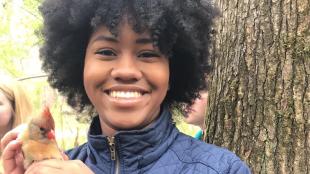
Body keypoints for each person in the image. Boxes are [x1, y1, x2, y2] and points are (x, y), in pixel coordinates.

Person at [1, 0, 251, 173]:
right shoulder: (58, 166)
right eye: (107, 51)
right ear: (80, 65)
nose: (126, 71)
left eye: (148, 53)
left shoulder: (222, 169)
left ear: (173, 70)